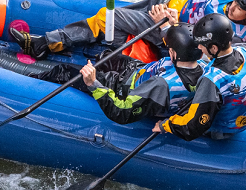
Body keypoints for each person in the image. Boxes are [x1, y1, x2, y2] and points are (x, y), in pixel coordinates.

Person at [10, 0, 246, 59]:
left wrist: (171, 24)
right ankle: (110, 35)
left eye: (239, 8)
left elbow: (197, 48)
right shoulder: (235, 1)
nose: (232, 7)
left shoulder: (231, 34)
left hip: (170, 32)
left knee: (107, 15)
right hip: (173, 7)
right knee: (125, 14)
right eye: (235, 1)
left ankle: (44, 44)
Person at [32, 23, 205, 124]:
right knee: (107, 56)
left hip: (122, 88)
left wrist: (94, 84)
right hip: (137, 70)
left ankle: (28, 79)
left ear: (175, 53)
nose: (168, 49)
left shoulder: (161, 86)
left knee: (64, 72)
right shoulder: (204, 67)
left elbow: (121, 111)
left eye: (170, 49)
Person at [154, 13, 246, 140]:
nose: (198, 47)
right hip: (243, 114)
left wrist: (164, 125)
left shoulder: (211, 81)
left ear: (214, 48)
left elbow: (192, 127)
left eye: (201, 45)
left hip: (222, 131)